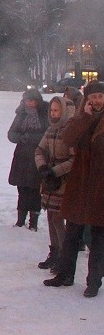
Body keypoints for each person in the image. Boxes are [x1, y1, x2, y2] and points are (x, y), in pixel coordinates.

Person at [44, 81, 104, 297]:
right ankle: (65, 274)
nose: (97, 100)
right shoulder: (81, 119)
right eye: (93, 97)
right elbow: (68, 139)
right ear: (87, 100)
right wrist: (85, 117)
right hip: (79, 183)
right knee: (72, 233)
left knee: (98, 238)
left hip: (100, 186)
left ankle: (93, 282)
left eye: (100, 96)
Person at [34, 96, 75, 271]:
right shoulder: (51, 129)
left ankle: (64, 256)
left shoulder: (70, 130)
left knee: (58, 218)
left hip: (64, 180)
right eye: (51, 110)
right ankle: (54, 252)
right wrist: (42, 166)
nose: (53, 113)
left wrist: (56, 171)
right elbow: (39, 149)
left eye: (57, 110)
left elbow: (75, 159)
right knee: (51, 217)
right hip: (50, 180)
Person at [7, 88, 48, 230]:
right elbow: (11, 133)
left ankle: (33, 222)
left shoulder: (44, 113)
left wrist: (33, 138)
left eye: (32, 101)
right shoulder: (21, 114)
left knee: (35, 189)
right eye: (27, 101)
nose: (29, 104)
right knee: (22, 188)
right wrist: (21, 138)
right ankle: (20, 220)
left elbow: (47, 133)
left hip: (38, 155)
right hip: (22, 155)